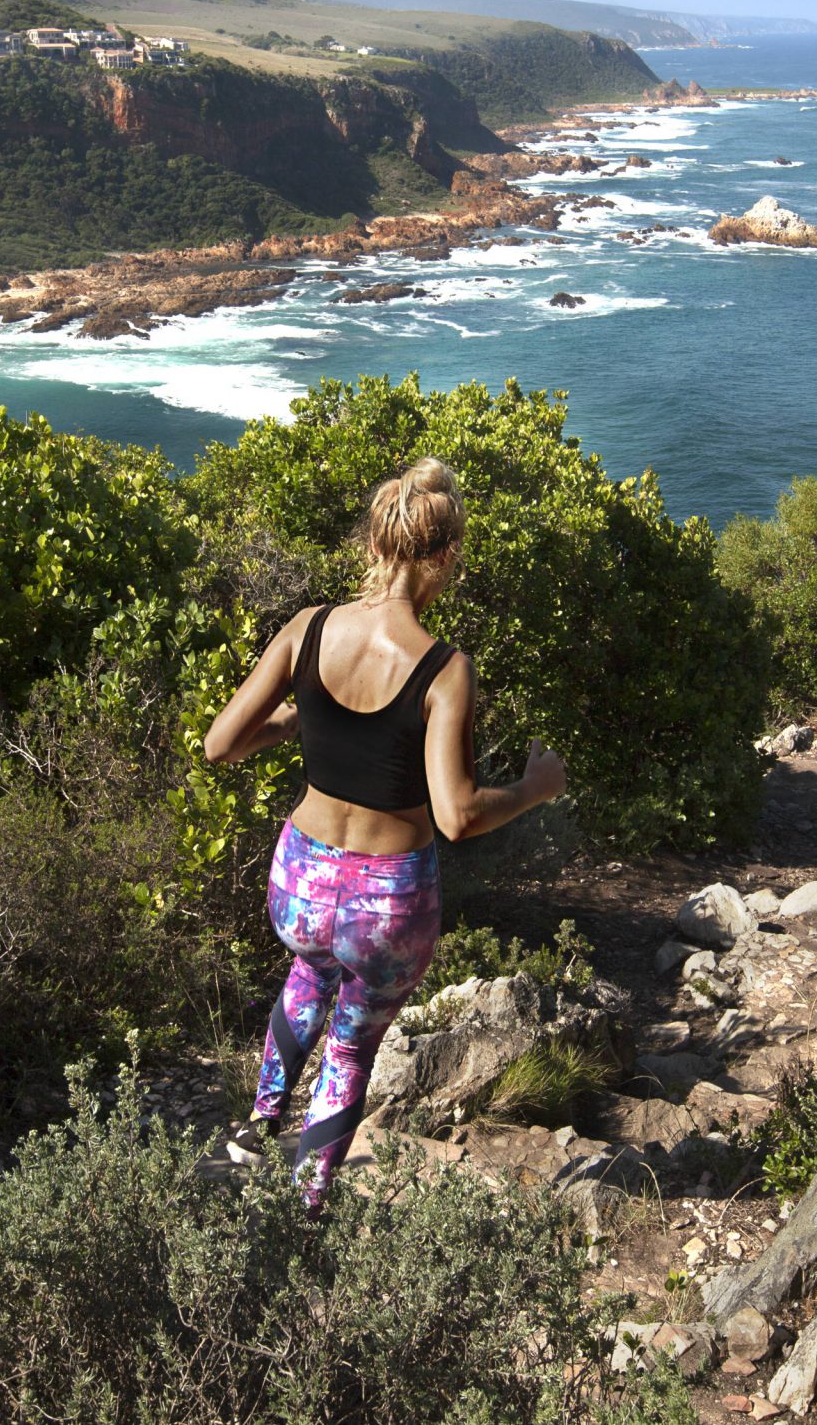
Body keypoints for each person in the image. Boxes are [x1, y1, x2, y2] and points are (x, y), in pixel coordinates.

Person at [203, 457, 568, 1208]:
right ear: (445, 558)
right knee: (352, 1040)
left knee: (308, 976)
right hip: (386, 903)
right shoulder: (444, 669)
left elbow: (221, 743)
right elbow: (458, 814)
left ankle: (254, 1129)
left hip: (300, 879)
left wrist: (300, 717)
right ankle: (305, 1203)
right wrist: (536, 788)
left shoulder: (307, 630)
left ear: (372, 544)